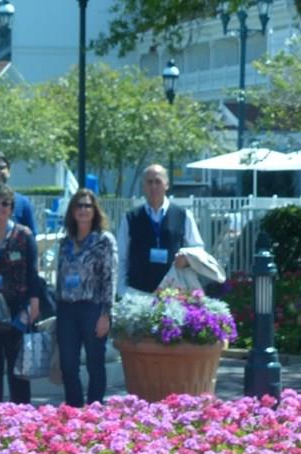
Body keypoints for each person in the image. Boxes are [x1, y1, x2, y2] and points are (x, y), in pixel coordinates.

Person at [0, 185, 39, 404]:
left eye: (5, 203)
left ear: (12, 208)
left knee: (17, 366)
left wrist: (33, 302)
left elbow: (33, 271)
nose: (0, 207)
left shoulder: (24, 235)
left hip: (16, 307)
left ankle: (21, 413)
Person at [55, 189, 117, 407]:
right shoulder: (65, 241)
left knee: (94, 362)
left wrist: (106, 314)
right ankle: (73, 410)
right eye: (78, 206)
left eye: (87, 206)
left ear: (95, 210)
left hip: (93, 307)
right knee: (68, 364)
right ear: (72, 211)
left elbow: (110, 278)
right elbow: (59, 277)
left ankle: (94, 410)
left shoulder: (104, 240)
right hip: (67, 309)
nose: (83, 210)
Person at [116, 164, 203, 296]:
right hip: (137, 293)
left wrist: (186, 259)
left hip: (174, 293)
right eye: (149, 182)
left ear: (166, 185)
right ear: (143, 186)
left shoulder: (183, 215)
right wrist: (122, 290)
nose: (153, 186)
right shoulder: (130, 218)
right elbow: (121, 257)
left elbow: (197, 248)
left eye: (158, 181)